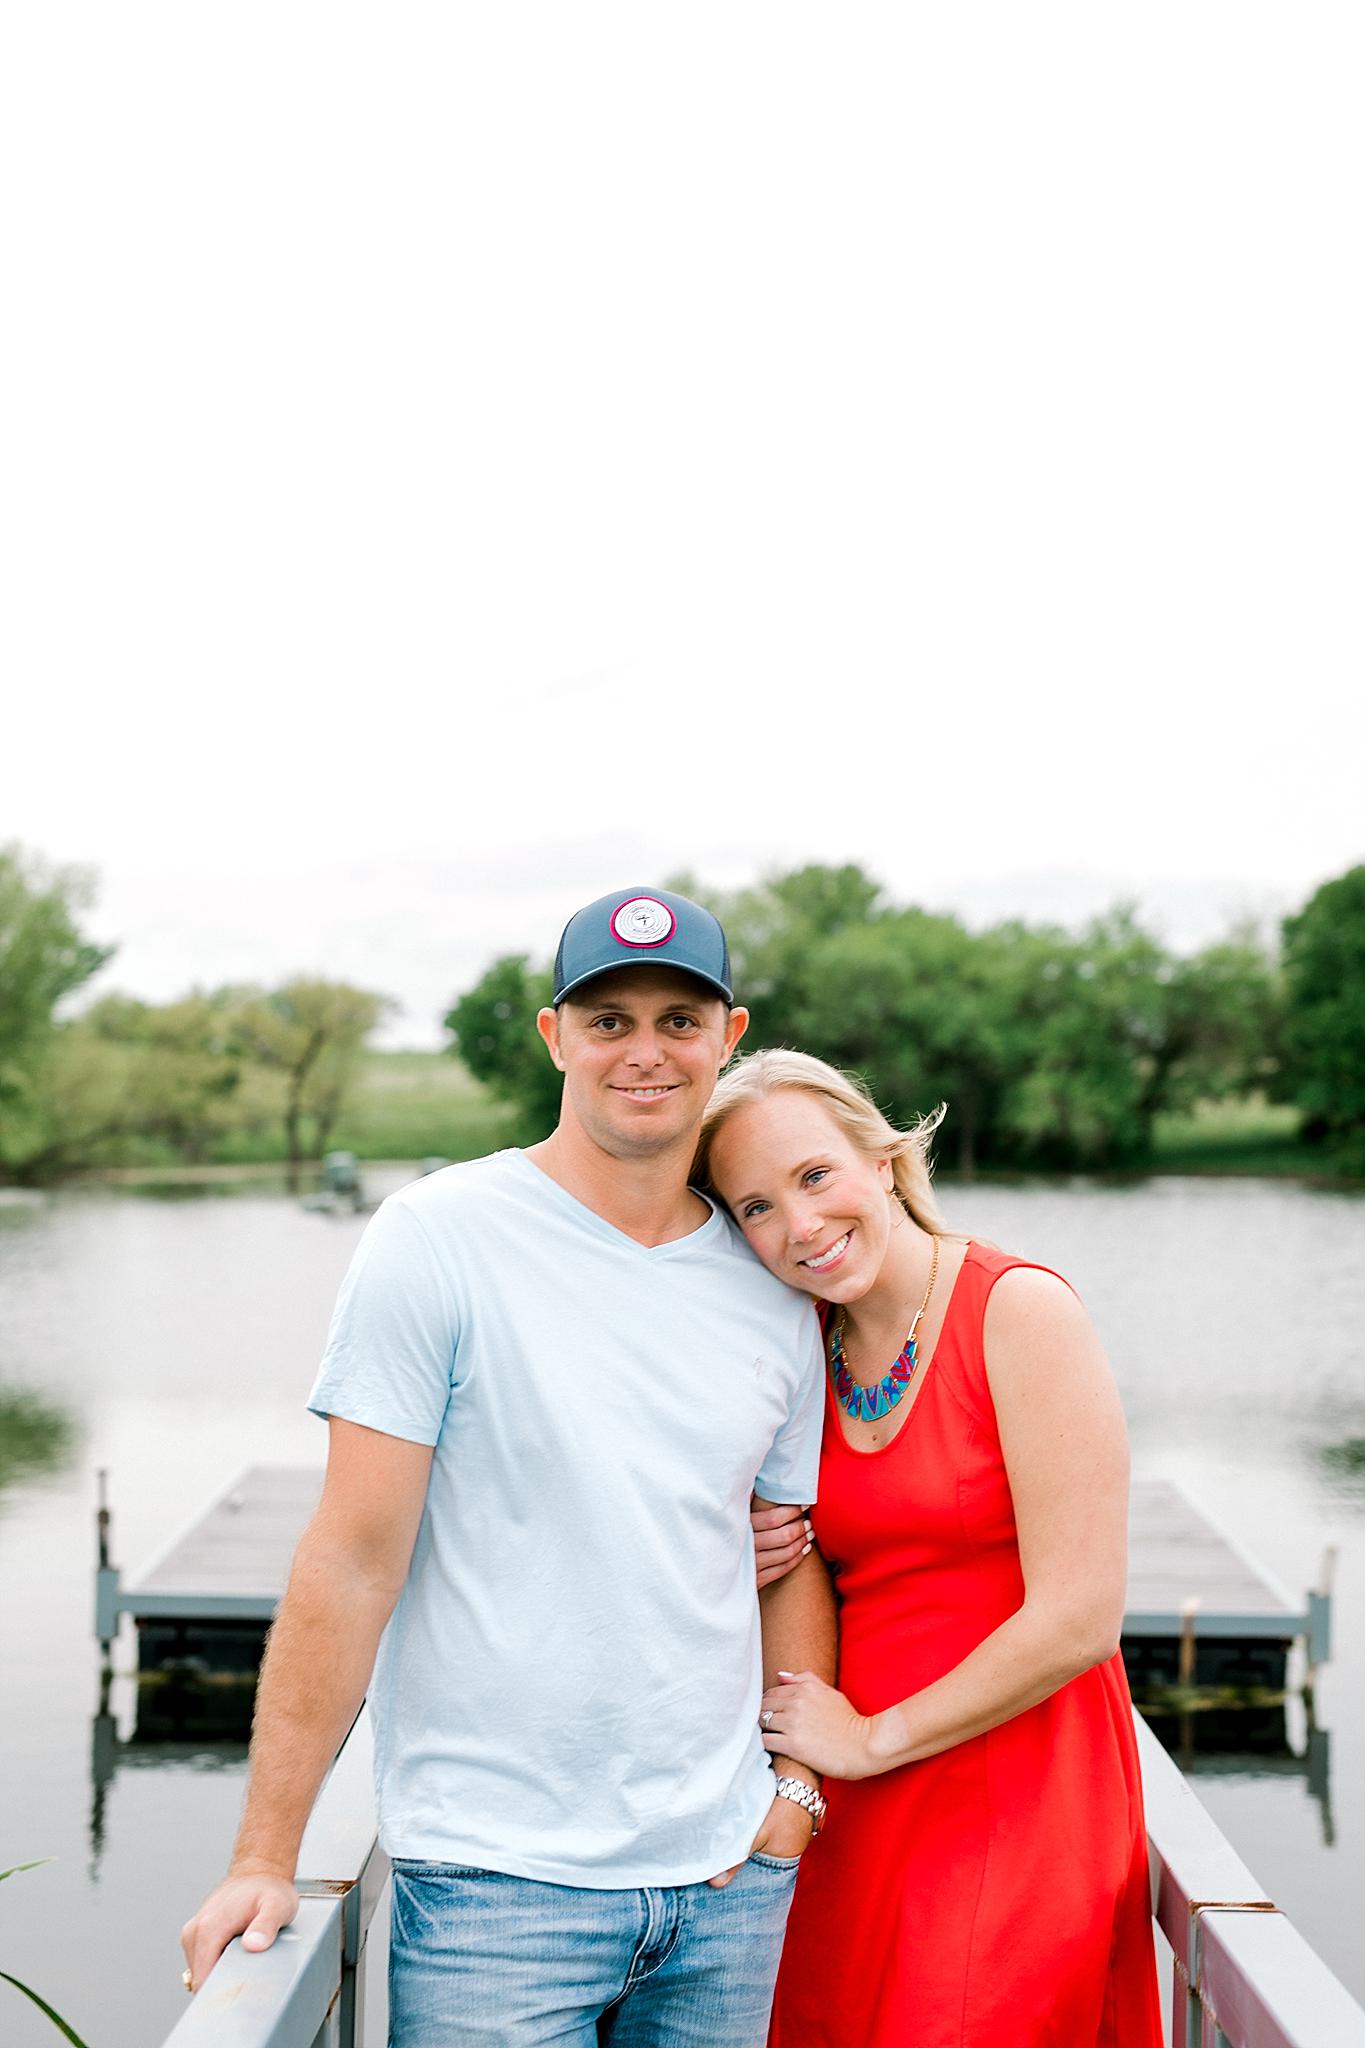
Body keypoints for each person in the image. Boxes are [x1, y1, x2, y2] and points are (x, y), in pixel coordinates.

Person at [182, 889, 836, 2047]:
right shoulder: (438, 1237)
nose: (645, 1050)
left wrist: (788, 1804)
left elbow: (788, 1554)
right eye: (609, 1019)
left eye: (680, 1019)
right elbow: (349, 1559)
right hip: (495, 1890)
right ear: (555, 1037)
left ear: (728, 1036)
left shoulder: (771, 1276)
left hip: (727, 1888)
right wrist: (263, 1854)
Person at [695, 1050, 1164, 2048]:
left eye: (815, 1175)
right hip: (850, 1795)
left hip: (1014, 1773)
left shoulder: (1020, 1309)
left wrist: (872, 1739)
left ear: (882, 1155)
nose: (801, 1225)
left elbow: (1080, 1614)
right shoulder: (799, 1340)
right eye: (756, 1207)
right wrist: (737, 1529)